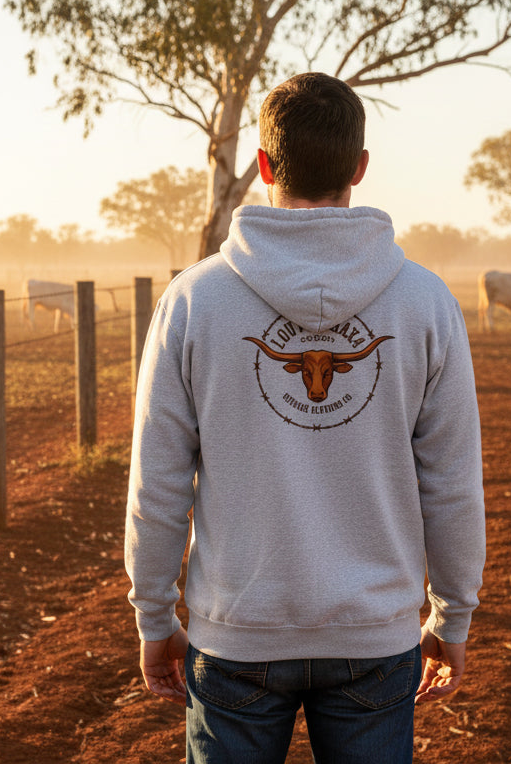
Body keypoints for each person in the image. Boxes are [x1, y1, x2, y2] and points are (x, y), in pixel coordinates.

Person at [125, 71, 486, 763]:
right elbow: (452, 479)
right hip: (374, 639)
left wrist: (152, 615)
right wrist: (453, 615)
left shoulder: (193, 301)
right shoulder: (425, 302)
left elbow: (159, 480)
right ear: (359, 168)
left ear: (263, 165)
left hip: (235, 634)